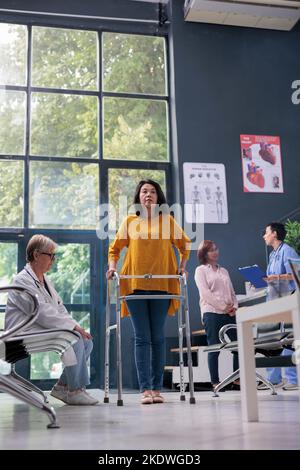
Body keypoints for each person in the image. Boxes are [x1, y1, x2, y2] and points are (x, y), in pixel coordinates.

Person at [106, 180, 191, 405]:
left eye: (153, 191)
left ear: (158, 197)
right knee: (142, 338)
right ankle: (145, 390)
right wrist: (112, 268)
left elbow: (185, 245)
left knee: (158, 337)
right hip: (134, 284)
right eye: (144, 191)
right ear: (138, 197)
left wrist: (182, 268)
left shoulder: (167, 221)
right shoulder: (130, 221)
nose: (148, 195)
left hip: (162, 283)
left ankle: (156, 388)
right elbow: (114, 249)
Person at [5, 234, 98, 405]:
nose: (53, 260)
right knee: (74, 339)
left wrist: (75, 326)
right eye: (50, 255)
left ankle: (62, 386)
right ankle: (75, 390)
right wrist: (72, 328)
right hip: (22, 333)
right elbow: (41, 312)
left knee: (86, 341)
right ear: (36, 255)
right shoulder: (22, 280)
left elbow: (59, 308)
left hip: (40, 329)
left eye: (54, 256)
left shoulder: (45, 280)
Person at [258, 222, 300, 391]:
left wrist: (276, 276)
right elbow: (273, 278)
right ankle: (274, 379)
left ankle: (292, 379)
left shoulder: (287, 250)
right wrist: (264, 281)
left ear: (274, 234)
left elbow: (296, 274)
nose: (264, 236)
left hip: (287, 300)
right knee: (273, 339)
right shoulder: (274, 254)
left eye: (266, 232)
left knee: (288, 339)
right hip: (274, 300)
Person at [194, 240, 239, 391]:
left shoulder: (224, 270)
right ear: (204, 254)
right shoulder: (200, 270)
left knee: (238, 346)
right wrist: (223, 307)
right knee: (214, 347)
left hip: (229, 312)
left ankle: (237, 379)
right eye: (211, 250)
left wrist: (234, 307)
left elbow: (232, 292)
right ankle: (215, 382)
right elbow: (205, 294)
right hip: (211, 313)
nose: (215, 252)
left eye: (216, 249)